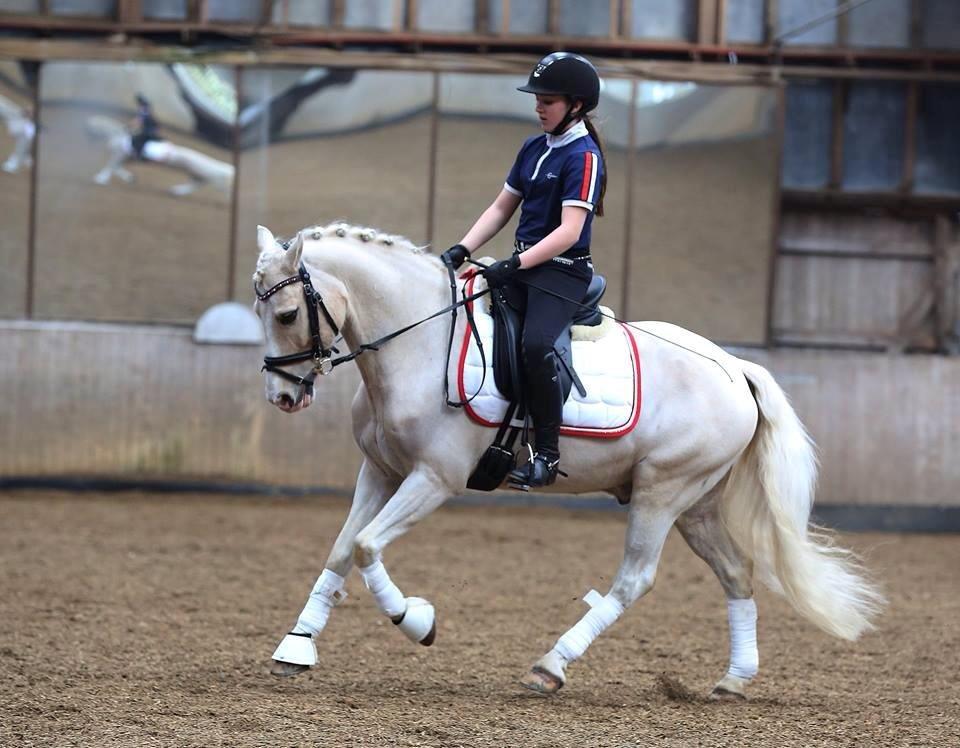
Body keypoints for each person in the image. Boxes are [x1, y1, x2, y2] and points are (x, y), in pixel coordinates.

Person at [441, 52, 607, 489]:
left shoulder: (584, 158)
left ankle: (547, 455)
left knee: (535, 345)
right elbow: (501, 207)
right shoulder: (534, 147)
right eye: (537, 99)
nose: (538, 107)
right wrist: (462, 248)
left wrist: (514, 264)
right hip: (522, 266)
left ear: (576, 104)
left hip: (561, 273)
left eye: (548, 101)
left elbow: (570, 231)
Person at [129, 93, 160, 159]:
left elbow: (139, 120)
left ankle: (139, 154)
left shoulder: (143, 110)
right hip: (152, 129)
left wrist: (129, 125)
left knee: (136, 139)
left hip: (150, 130)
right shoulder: (147, 108)